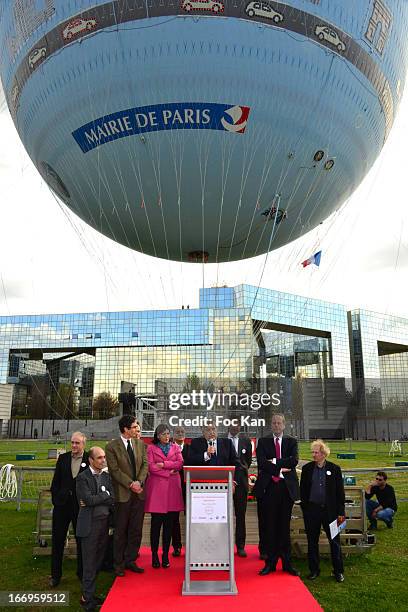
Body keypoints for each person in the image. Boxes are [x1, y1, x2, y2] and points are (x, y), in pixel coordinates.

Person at [254, 413, 299, 576]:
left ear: (284, 425)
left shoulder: (291, 441)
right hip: (269, 489)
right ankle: (270, 563)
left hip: (286, 489)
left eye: (279, 423)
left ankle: (287, 563)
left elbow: (293, 461)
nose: (276, 425)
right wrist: (280, 466)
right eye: (273, 423)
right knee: (270, 527)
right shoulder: (263, 441)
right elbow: (261, 462)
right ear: (271, 425)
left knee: (284, 527)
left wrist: (273, 462)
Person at [105, 414, 147, 576]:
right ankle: (118, 564)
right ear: (125, 429)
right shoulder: (112, 447)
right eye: (135, 426)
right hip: (123, 495)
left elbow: (145, 465)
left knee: (136, 529)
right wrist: (131, 484)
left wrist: (140, 483)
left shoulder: (140, 444)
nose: (137, 429)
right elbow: (115, 471)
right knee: (120, 530)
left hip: (139, 494)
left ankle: (131, 560)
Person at [300, 439, 345, 583]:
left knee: (335, 542)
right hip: (312, 511)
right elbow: (303, 492)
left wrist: (340, 513)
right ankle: (314, 570)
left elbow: (340, 493)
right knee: (312, 541)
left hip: (332, 512)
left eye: (316, 452)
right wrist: (306, 509)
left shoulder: (335, 468)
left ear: (324, 454)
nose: (313, 455)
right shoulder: (307, 469)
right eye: (312, 452)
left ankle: (338, 571)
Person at [76, 447, 115, 611]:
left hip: (104, 524)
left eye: (104, 457)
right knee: (90, 563)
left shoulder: (107, 476)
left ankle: (90, 594)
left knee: (98, 561)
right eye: (99, 458)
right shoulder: (82, 478)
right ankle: (86, 599)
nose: (103, 460)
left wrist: (100, 497)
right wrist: (103, 496)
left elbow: (112, 499)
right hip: (89, 525)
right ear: (91, 460)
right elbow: (88, 500)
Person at [49, 431, 89, 587]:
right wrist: (56, 499)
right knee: (57, 541)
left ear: (83, 444)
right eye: (72, 442)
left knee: (81, 542)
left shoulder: (88, 460)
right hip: (62, 507)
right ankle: (55, 575)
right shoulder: (63, 458)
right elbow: (55, 482)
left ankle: (81, 573)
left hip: (80, 508)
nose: (74, 445)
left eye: (77, 443)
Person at [145, 424, 184, 568]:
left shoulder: (176, 447)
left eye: (168, 433)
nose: (166, 436)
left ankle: (166, 555)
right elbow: (151, 466)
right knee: (156, 526)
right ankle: (154, 555)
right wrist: (168, 471)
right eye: (163, 434)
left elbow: (180, 463)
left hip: (173, 491)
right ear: (157, 435)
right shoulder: (151, 448)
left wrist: (164, 464)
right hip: (157, 491)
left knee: (169, 526)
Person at [227, 423, 252, 557]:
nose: (235, 427)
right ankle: (224, 544)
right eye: (232, 424)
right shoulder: (222, 440)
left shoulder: (246, 441)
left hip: (241, 482)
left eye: (238, 425)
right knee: (222, 514)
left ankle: (240, 545)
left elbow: (247, 461)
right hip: (225, 479)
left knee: (240, 515)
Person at [171, 425, 190, 557]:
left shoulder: (191, 448)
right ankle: (176, 546)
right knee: (174, 518)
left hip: (188, 486)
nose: (180, 434)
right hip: (174, 486)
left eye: (182, 432)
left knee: (190, 517)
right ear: (173, 434)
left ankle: (191, 545)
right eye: (177, 432)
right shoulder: (169, 448)